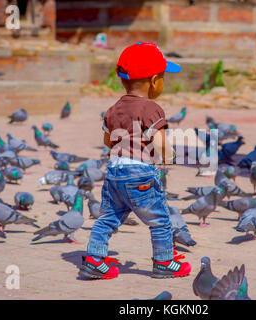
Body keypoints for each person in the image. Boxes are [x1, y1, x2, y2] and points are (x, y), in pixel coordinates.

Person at [79, 42, 191, 280]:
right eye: (162, 77)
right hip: (140, 175)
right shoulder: (152, 108)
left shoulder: (113, 109)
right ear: (153, 81)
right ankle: (164, 262)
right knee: (159, 220)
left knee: (108, 217)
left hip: (114, 173)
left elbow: (108, 141)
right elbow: (160, 143)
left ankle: (94, 259)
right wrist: (169, 159)